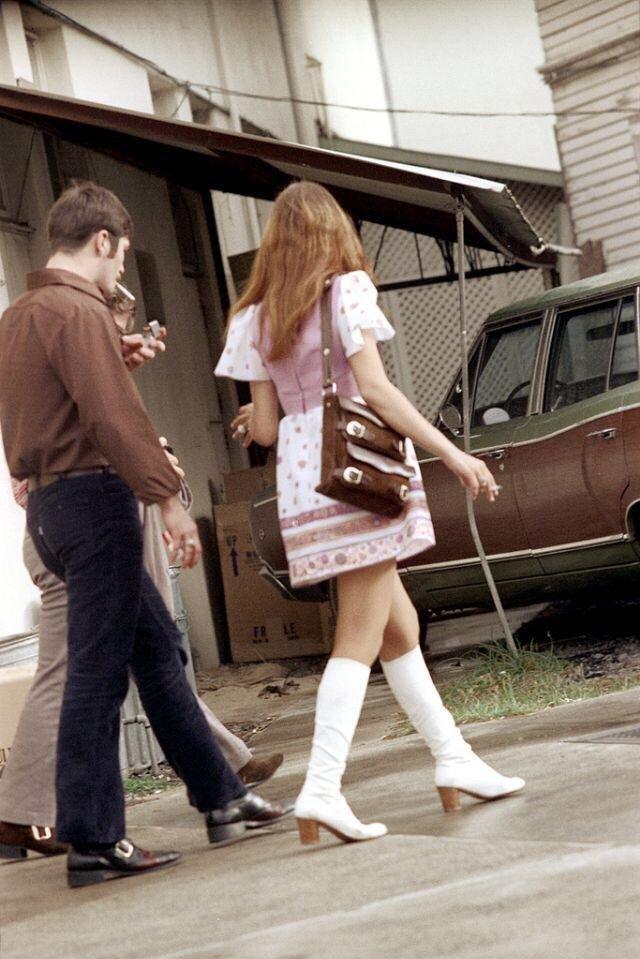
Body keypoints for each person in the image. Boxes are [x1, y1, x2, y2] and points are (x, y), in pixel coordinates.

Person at [216, 181, 525, 847]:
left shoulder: (255, 317)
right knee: (358, 634)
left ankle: (453, 756)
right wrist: (454, 454)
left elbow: (264, 429)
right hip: (361, 472)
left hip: (306, 479)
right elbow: (377, 391)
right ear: (332, 232)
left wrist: (260, 411)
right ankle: (322, 788)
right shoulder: (346, 292)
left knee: (398, 625)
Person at [0, 182, 281, 888]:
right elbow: (114, 418)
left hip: (51, 506)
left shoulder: (21, 314)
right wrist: (169, 501)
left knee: (156, 651)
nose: (121, 268)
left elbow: (52, 402)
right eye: (122, 255)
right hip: (95, 503)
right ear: (102, 241)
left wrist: (107, 355)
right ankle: (96, 839)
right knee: (96, 675)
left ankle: (222, 797)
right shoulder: (78, 311)